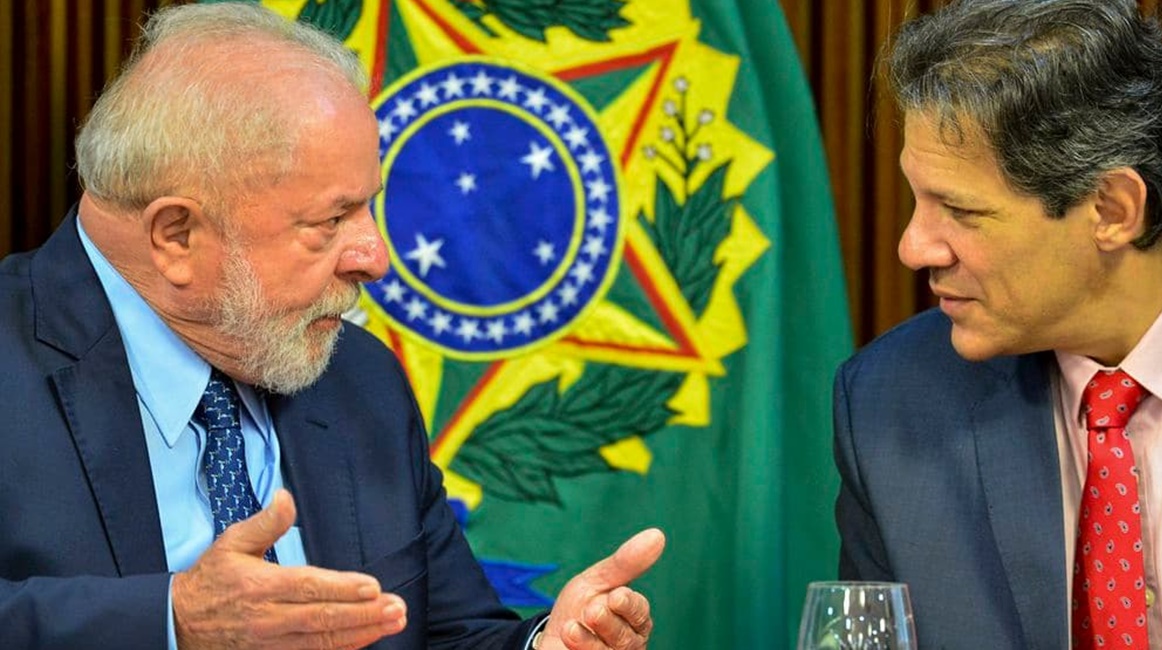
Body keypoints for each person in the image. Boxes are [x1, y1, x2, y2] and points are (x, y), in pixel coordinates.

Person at [0, 3, 665, 649]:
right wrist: (172, 623)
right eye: (330, 220)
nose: (375, 259)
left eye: (368, 207)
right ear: (177, 235)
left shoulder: (358, 375)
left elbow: (451, 633)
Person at [834, 0, 1162, 648]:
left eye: (961, 211)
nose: (914, 247)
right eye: (918, 199)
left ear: (1112, 209)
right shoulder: (892, 403)